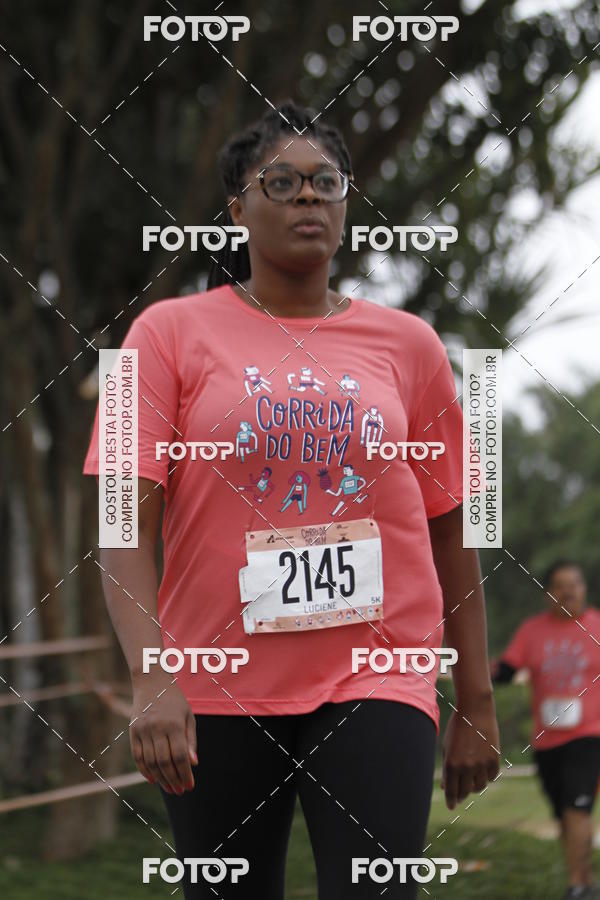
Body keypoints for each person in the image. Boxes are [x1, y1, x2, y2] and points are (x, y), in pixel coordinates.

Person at [83, 100, 500, 899]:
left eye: (326, 183)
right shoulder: (164, 334)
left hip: (379, 672)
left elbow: (457, 525)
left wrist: (475, 699)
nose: (309, 197)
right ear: (238, 209)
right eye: (283, 183)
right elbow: (123, 519)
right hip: (217, 682)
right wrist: (153, 675)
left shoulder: (411, 345)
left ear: (346, 206)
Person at [491, 560, 600, 900]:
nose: (568, 592)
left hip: (589, 734)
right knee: (563, 814)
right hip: (547, 740)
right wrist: (468, 670)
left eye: (574, 585)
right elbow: (506, 670)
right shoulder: (532, 631)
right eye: (559, 586)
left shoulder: (597, 626)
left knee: (577, 808)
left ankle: (578, 885)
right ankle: (582, 876)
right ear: (547, 594)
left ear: (584, 590)